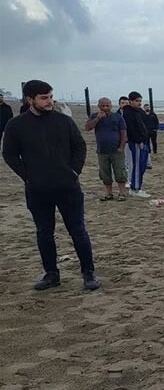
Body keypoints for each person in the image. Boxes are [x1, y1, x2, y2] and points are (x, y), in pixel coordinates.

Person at [2, 80, 100, 291]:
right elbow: (9, 154)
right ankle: (51, 274)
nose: (49, 101)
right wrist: (27, 176)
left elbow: (79, 146)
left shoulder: (63, 121)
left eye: (51, 97)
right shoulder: (16, 125)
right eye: (44, 98)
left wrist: (74, 171)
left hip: (68, 187)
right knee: (44, 232)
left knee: (78, 231)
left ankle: (88, 272)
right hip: (37, 189)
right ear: (30, 99)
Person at [85, 97, 129, 201]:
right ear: (99, 106)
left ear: (111, 106)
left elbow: (123, 133)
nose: (105, 108)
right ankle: (108, 193)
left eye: (107, 106)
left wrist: (121, 147)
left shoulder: (118, 117)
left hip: (116, 150)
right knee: (105, 173)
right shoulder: (94, 116)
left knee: (120, 172)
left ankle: (122, 193)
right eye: (103, 106)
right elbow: (87, 128)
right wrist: (97, 119)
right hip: (102, 151)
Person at [122, 91, 151, 198]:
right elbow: (131, 129)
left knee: (142, 165)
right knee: (138, 165)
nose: (139, 103)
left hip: (143, 141)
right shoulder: (128, 113)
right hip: (136, 142)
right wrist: (139, 141)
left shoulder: (137, 111)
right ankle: (135, 188)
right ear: (130, 101)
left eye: (140, 101)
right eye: (137, 101)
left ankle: (137, 186)